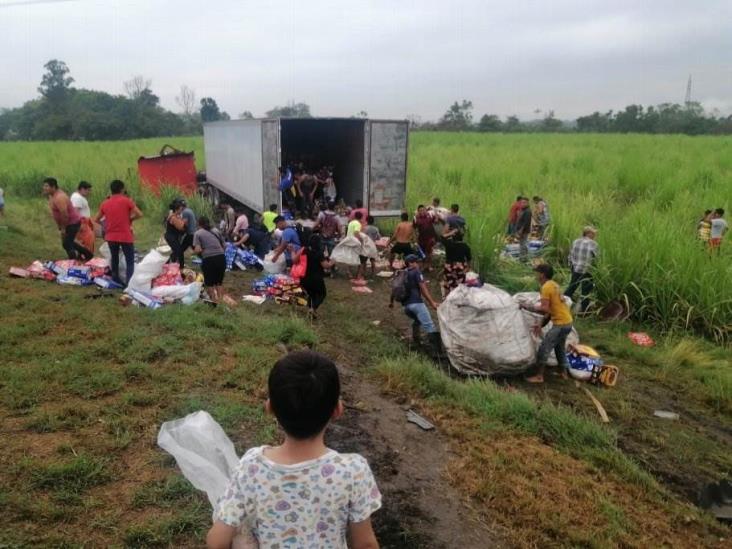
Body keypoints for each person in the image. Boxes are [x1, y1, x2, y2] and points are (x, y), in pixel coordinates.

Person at [207, 351, 381, 549]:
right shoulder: (354, 471)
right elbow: (365, 544)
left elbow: (217, 541)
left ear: (269, 407)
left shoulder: (252, 466)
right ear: (337, 410)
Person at [521, 264, 573, 384]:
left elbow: (544, 308)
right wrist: (541, 325)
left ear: (542, 275)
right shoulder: (554, 285)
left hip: (560, 324)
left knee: (545, 347)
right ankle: (563, 373)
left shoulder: (546, 288)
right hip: (568, 322)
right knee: (559, 347)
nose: (536, 275)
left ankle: (539, 376)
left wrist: (527, 306)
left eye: (537, 273)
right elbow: (550, 311)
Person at [94, 179, 142, 285]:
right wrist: (130, 219)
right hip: (125, 235)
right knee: (130, 260)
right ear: (122, 189)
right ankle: (129, 284)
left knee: (114, 258)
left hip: (111, 236)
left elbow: (96, 219)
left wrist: (105, 226)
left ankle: (115, 280)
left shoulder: (105, 203)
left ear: (111, 190)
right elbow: (139, 214)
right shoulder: (126, 200)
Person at [390, 254, 440, 349]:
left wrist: (391, 302)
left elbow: (395, 288)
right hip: (417, 304)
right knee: (430, 325)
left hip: (406, 307)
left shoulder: (401, 273)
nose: (418, 264)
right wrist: (432, 302)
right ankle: (437, 353)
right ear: (410, 263)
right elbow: (423, 289)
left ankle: (416, 341)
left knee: (417, 320)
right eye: (416, 262)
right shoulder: (416, 272)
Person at [42, 177, 93, 261]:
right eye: (44, 186)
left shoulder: (60, 197)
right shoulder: (52, 196)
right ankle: (88, 254)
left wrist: (63, 228)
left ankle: (73, 261)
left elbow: (65, 215)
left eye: (47, 186)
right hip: (68, 223)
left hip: (72, 223)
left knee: (67, 243)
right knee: (68, 242)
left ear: (53, 187)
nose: (44, 188)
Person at [295, 234, 334, 317]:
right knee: (322, 294)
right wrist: (332, 262)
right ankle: (313, 309)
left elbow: (294, 260)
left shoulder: (304, 250)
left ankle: (311, 311)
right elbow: (325, 265)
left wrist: (291, 251)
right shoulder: (319, 253)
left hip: (304, 278)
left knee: (312, 295)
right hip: (316, 278)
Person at [564, 226, 599, 313]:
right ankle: (583, 311)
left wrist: (572, 267)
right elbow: (597, 258)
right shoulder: (593, 244)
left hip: (576, 268)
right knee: (586, 291)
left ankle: (562, 304)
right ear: (588, 233)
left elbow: (570, 256)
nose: (594, 236)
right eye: (593, 234)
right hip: (587, 270)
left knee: (572, 287)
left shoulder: (576, 241)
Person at [193, 216, 226, 303]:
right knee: (219, 282)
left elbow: (198, 249)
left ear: (198, 224)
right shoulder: (216, 230)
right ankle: (221, 302)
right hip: (221, 258)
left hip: (209, 259)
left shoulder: (198, 233)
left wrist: (193, 253)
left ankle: (214, 302)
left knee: (209, 283)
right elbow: (224, 246)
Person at [413, 205, 437, 271]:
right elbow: (414, 229)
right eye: (420, 210)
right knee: (422, 253)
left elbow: (436, 220)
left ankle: (429, 266)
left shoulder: (430, 216)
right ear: (418, 212)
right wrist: (415, 239)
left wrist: (435, 210)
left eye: (423, 210)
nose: (422, 211)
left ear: (425, 210)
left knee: (429, 252)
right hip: (421, 238)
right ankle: (423, 266)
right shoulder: (416, 219)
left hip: (430, 238)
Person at [164, 200, 187, 267]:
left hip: (172, 237)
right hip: (171, 237)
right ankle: (181, 268)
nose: (181, 210)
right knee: (179, 252)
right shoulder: (173, 217)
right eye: (180, 209)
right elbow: (181, 227)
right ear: (176, 209)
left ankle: (171, 266)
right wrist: (184, 223)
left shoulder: (174, 215)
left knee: (174, 252)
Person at [347, 211, 367, 280]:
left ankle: (349, 272)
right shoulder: (358, 224)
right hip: (355, 242)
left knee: (350, 257)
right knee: (361, 258)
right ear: (361, 217)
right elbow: (356, 233)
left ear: (355, 216)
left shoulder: (351, 223)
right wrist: (361, 241)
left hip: (349, 241)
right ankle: (359, 274)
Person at [179, 199, 197, 268]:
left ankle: (181, 265)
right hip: (193, 233)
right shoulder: (189, 210)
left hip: (190, 234)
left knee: (181, 249)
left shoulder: (185, 212)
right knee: (193, 248)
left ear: (181, 206)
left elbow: (184, 224)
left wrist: (180, 231)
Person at [515, 197, 532, 263]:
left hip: (524, 231)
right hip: (522, 231)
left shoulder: (528, 211)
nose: (522, 204)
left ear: (527, 203)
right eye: (521, 202)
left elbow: (526, 222)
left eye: (524, 202)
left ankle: (523, 259)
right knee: (522, 244)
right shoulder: (524, 210)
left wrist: (520, 231)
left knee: (523, 245)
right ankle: (523, 258)